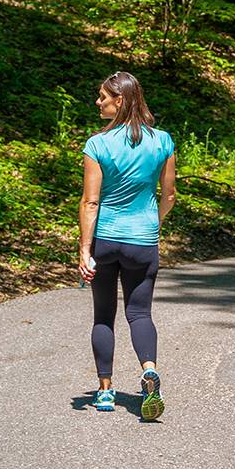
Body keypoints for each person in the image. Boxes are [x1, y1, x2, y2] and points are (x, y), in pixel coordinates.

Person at [79, 71, 177, 421]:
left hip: (106, 238)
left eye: (103, 97)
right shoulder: (162, 141)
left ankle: (105, 392)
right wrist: (154, 222)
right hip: (143, 240)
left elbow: (91, 202)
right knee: (140, 313)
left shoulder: (98, 144)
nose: (98, 102)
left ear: (120, 100)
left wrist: (84, 249)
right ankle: (149, 370)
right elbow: (168, 195)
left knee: (104, 315)